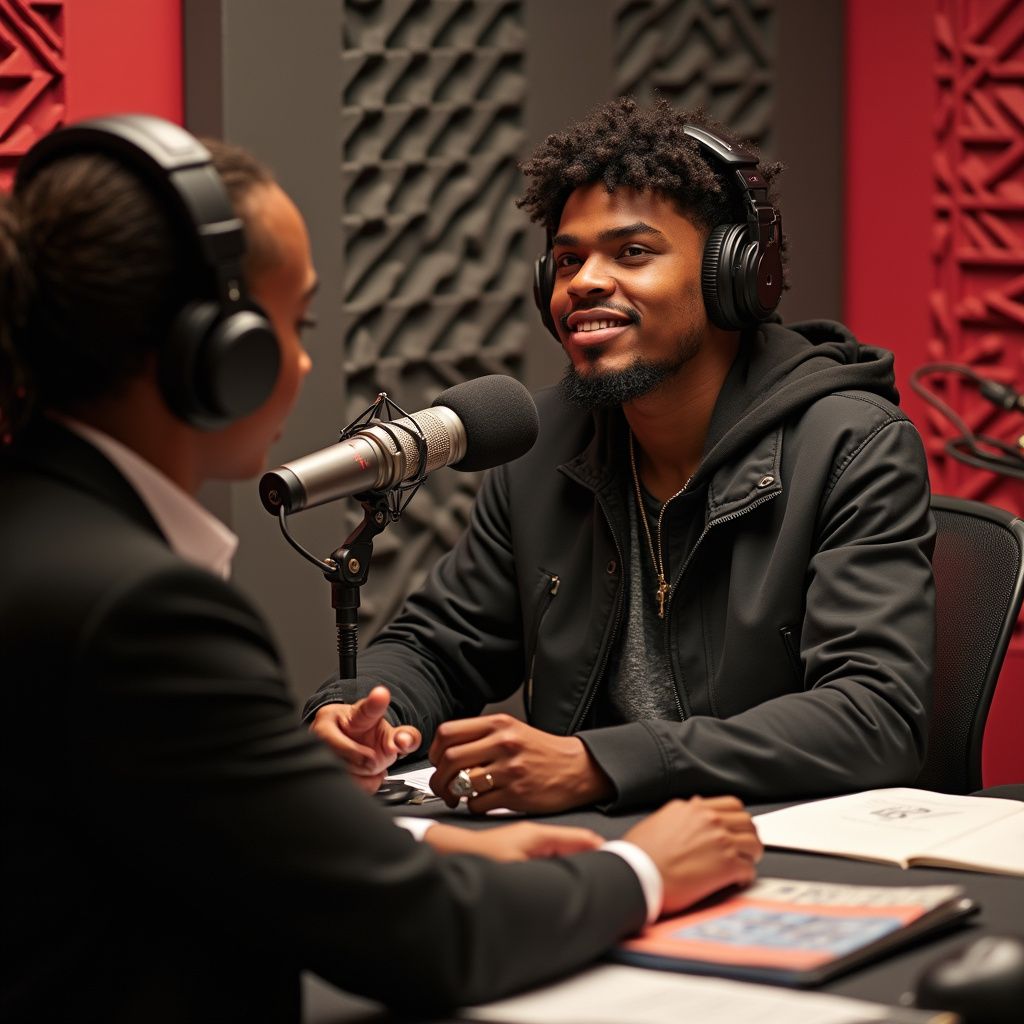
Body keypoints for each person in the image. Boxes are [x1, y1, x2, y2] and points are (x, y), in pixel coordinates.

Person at [0, 115, 761, 1023]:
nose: (307, 355)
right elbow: (433, 938)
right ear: (221, 353)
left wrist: (421, 857)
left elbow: (183, 845)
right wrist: (642, 868)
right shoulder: (138, 610)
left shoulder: (43, 542)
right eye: (296, 321)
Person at [306, 97, 936, 815]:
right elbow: (438, 643)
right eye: (569, 260)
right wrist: (362, 717)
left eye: (631, 253)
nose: (585, 282)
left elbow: (876, 715)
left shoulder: (851, 447)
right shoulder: (543, 443)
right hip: (600, 853)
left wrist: (602, 764)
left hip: (774, 846)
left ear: (734, 273)